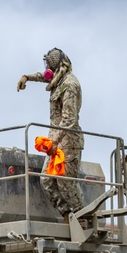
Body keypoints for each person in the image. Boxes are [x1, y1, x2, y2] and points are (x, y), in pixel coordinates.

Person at [17, 47, 84, 219]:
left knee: (65, 182)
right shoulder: (58, 79)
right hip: (55, 141)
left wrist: (54, 143)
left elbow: (69, 120)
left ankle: (84, 217)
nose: (46, 68)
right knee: (46, 180)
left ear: (56, 66)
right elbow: (43, 76)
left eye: (49, 64)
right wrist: (27, 77)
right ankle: (68, 215)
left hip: (68, 141)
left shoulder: (69, 84)